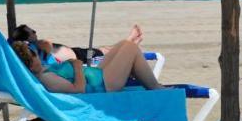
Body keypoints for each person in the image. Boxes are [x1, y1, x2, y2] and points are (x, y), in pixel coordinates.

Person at [11, 34, 162, 94]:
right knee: (130, 48)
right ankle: (155, 88)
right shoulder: (46, 78)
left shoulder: (43, 71)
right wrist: (76, 66)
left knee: (124, 44)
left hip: (97, 76)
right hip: (103, 85)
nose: (38, 56)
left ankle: (148, 82)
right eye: (35, 55)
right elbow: (78, 89)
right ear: (30, 65)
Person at [10, 23, 144, 63]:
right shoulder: (34, 48)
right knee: (107, 53)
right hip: (79, 59)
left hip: (76, 52)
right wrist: (35, 42)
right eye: (32, 31)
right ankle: (130, 42)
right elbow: (48, 44)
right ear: (27, 38)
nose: (35, 31)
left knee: (103, 49)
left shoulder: (33, 48)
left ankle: (129, 41)